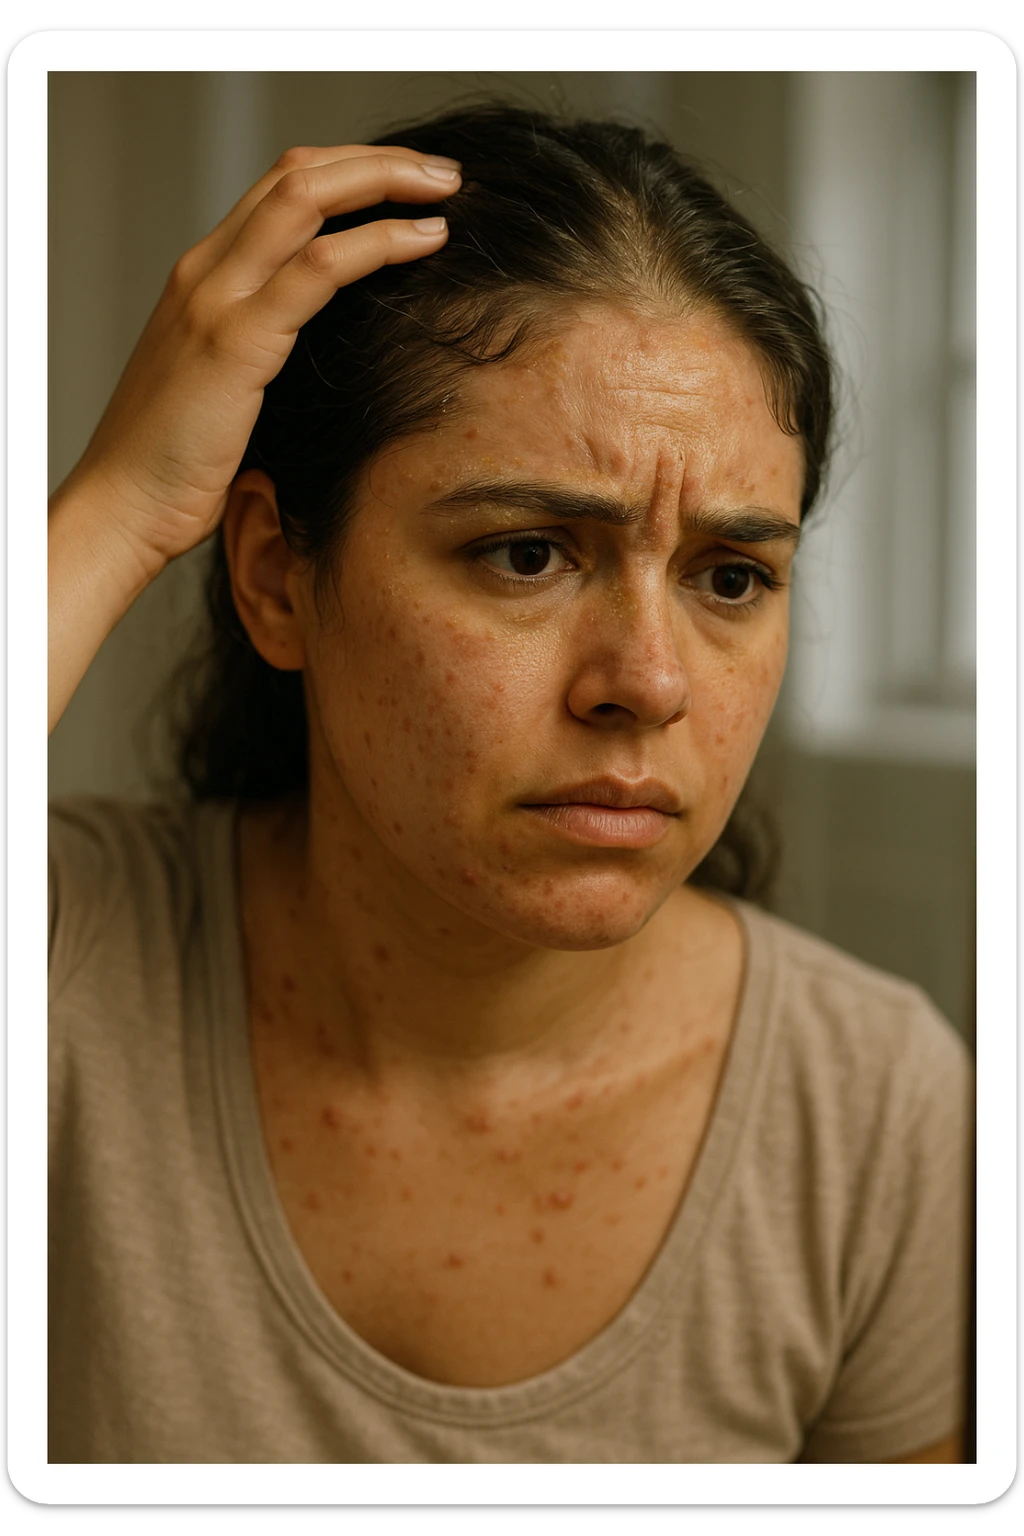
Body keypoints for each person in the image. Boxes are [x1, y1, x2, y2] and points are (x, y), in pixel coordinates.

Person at [47, 103, 971, 1465]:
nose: (648, 681)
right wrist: (120, 503)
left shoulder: (875, 1111)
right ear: (273, 576)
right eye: (528, 554)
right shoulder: (61, 968)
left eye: (731, 578)